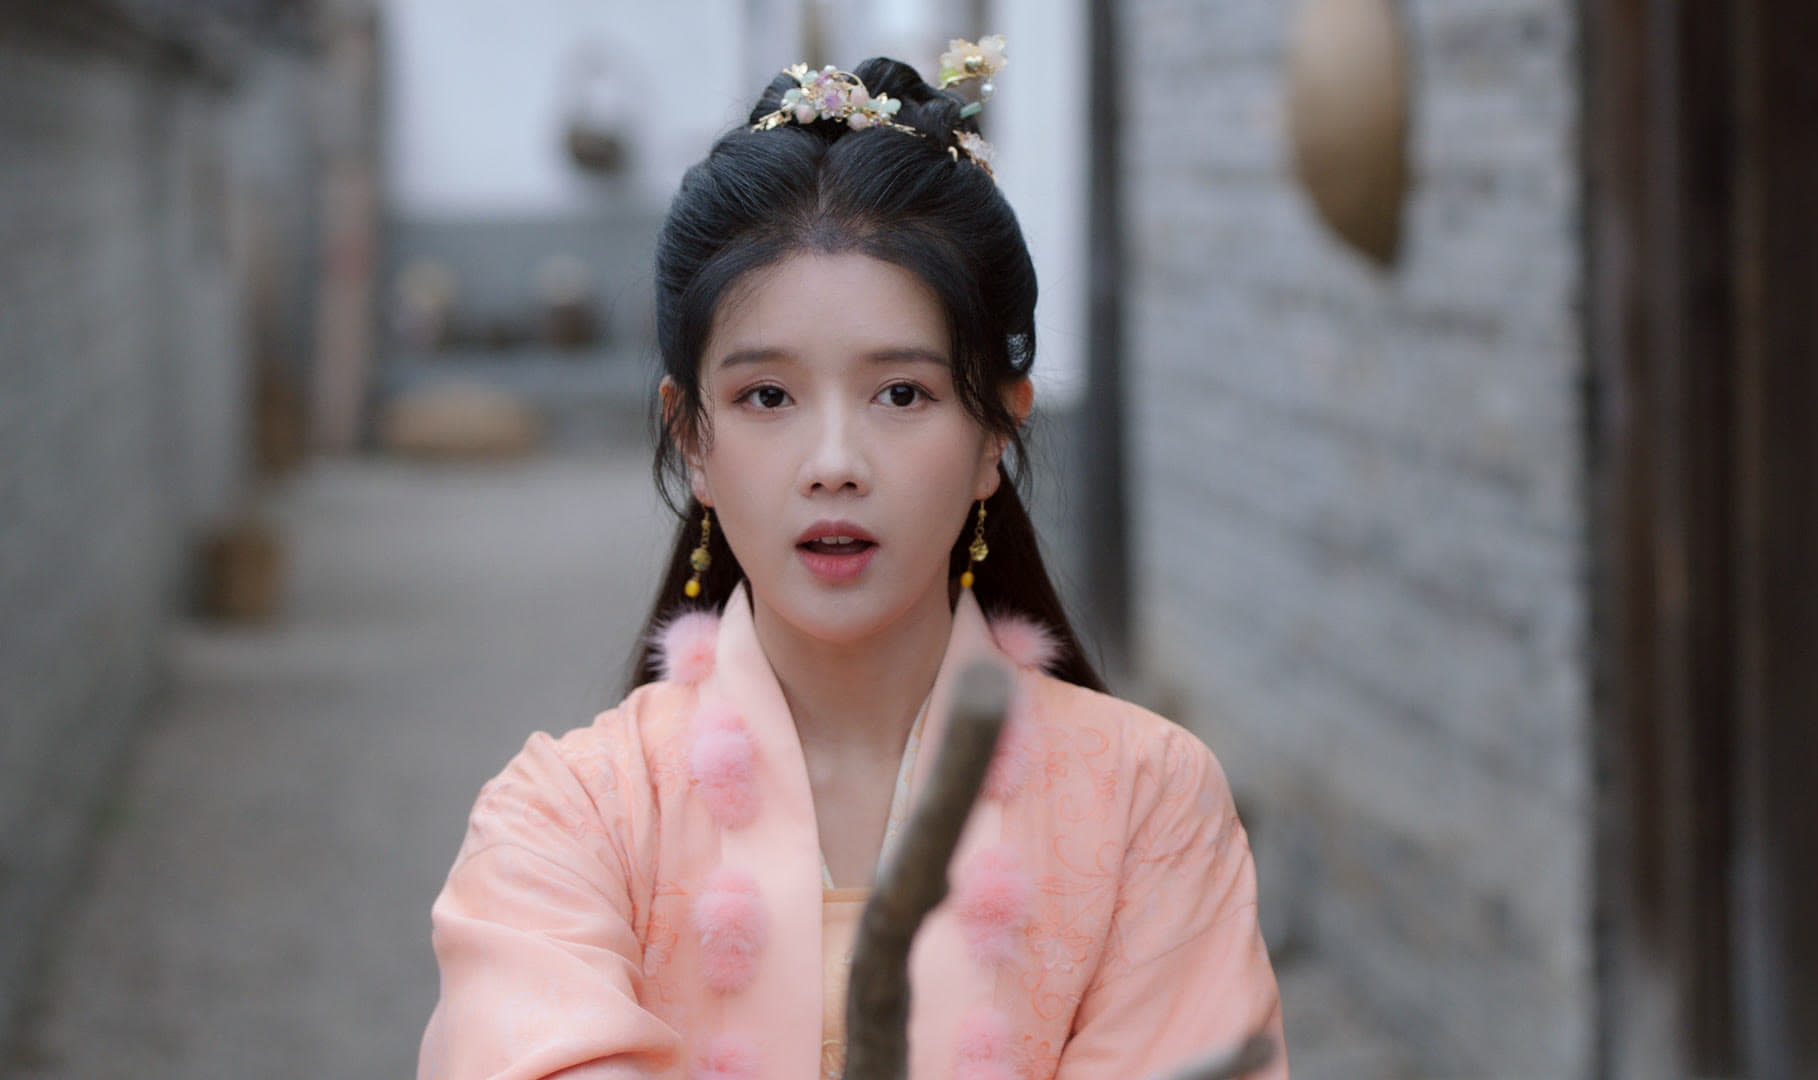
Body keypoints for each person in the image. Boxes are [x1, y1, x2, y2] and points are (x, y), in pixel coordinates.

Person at [419, 41, 1286, 1080]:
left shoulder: (1148, 806)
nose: (834, 464)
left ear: (996, 432)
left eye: (902, 394)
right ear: (691, 438)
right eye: (767, 397)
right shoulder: (568, 820)